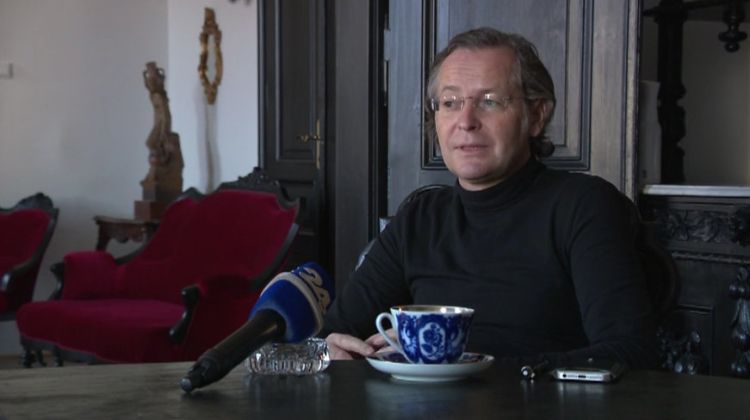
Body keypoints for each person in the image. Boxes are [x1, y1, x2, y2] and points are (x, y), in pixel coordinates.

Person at [322, 27, 657, 368]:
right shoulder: (420, 218)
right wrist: (329, 349)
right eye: (450, 103)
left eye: (489, 101)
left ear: (536, 115)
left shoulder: (583, 205)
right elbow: (334, 333)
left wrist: (467, 366)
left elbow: (629, 351)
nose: (466, 121)